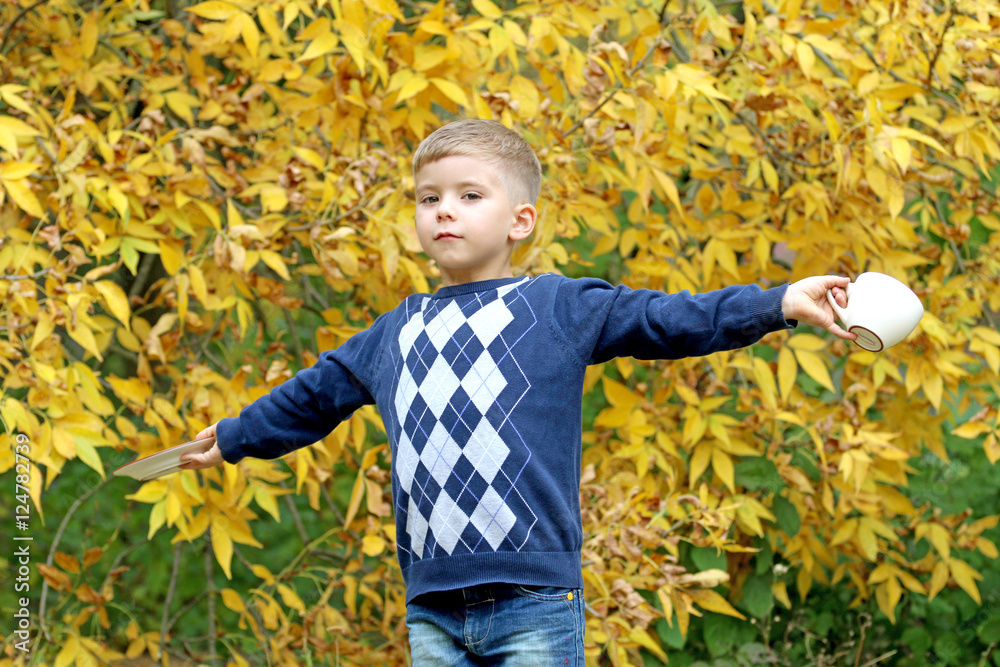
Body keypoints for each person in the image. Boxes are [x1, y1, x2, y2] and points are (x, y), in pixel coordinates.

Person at [180, 119, 855, 665]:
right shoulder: (393, 334)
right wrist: (233, 437)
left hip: (532, 596)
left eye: (470, 196)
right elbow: (309, 397)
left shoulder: (560, 306)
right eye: (429, 197)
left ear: (521, 221)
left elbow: (670, 318)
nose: (445, 210)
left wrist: (779, 302)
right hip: (433, 606)